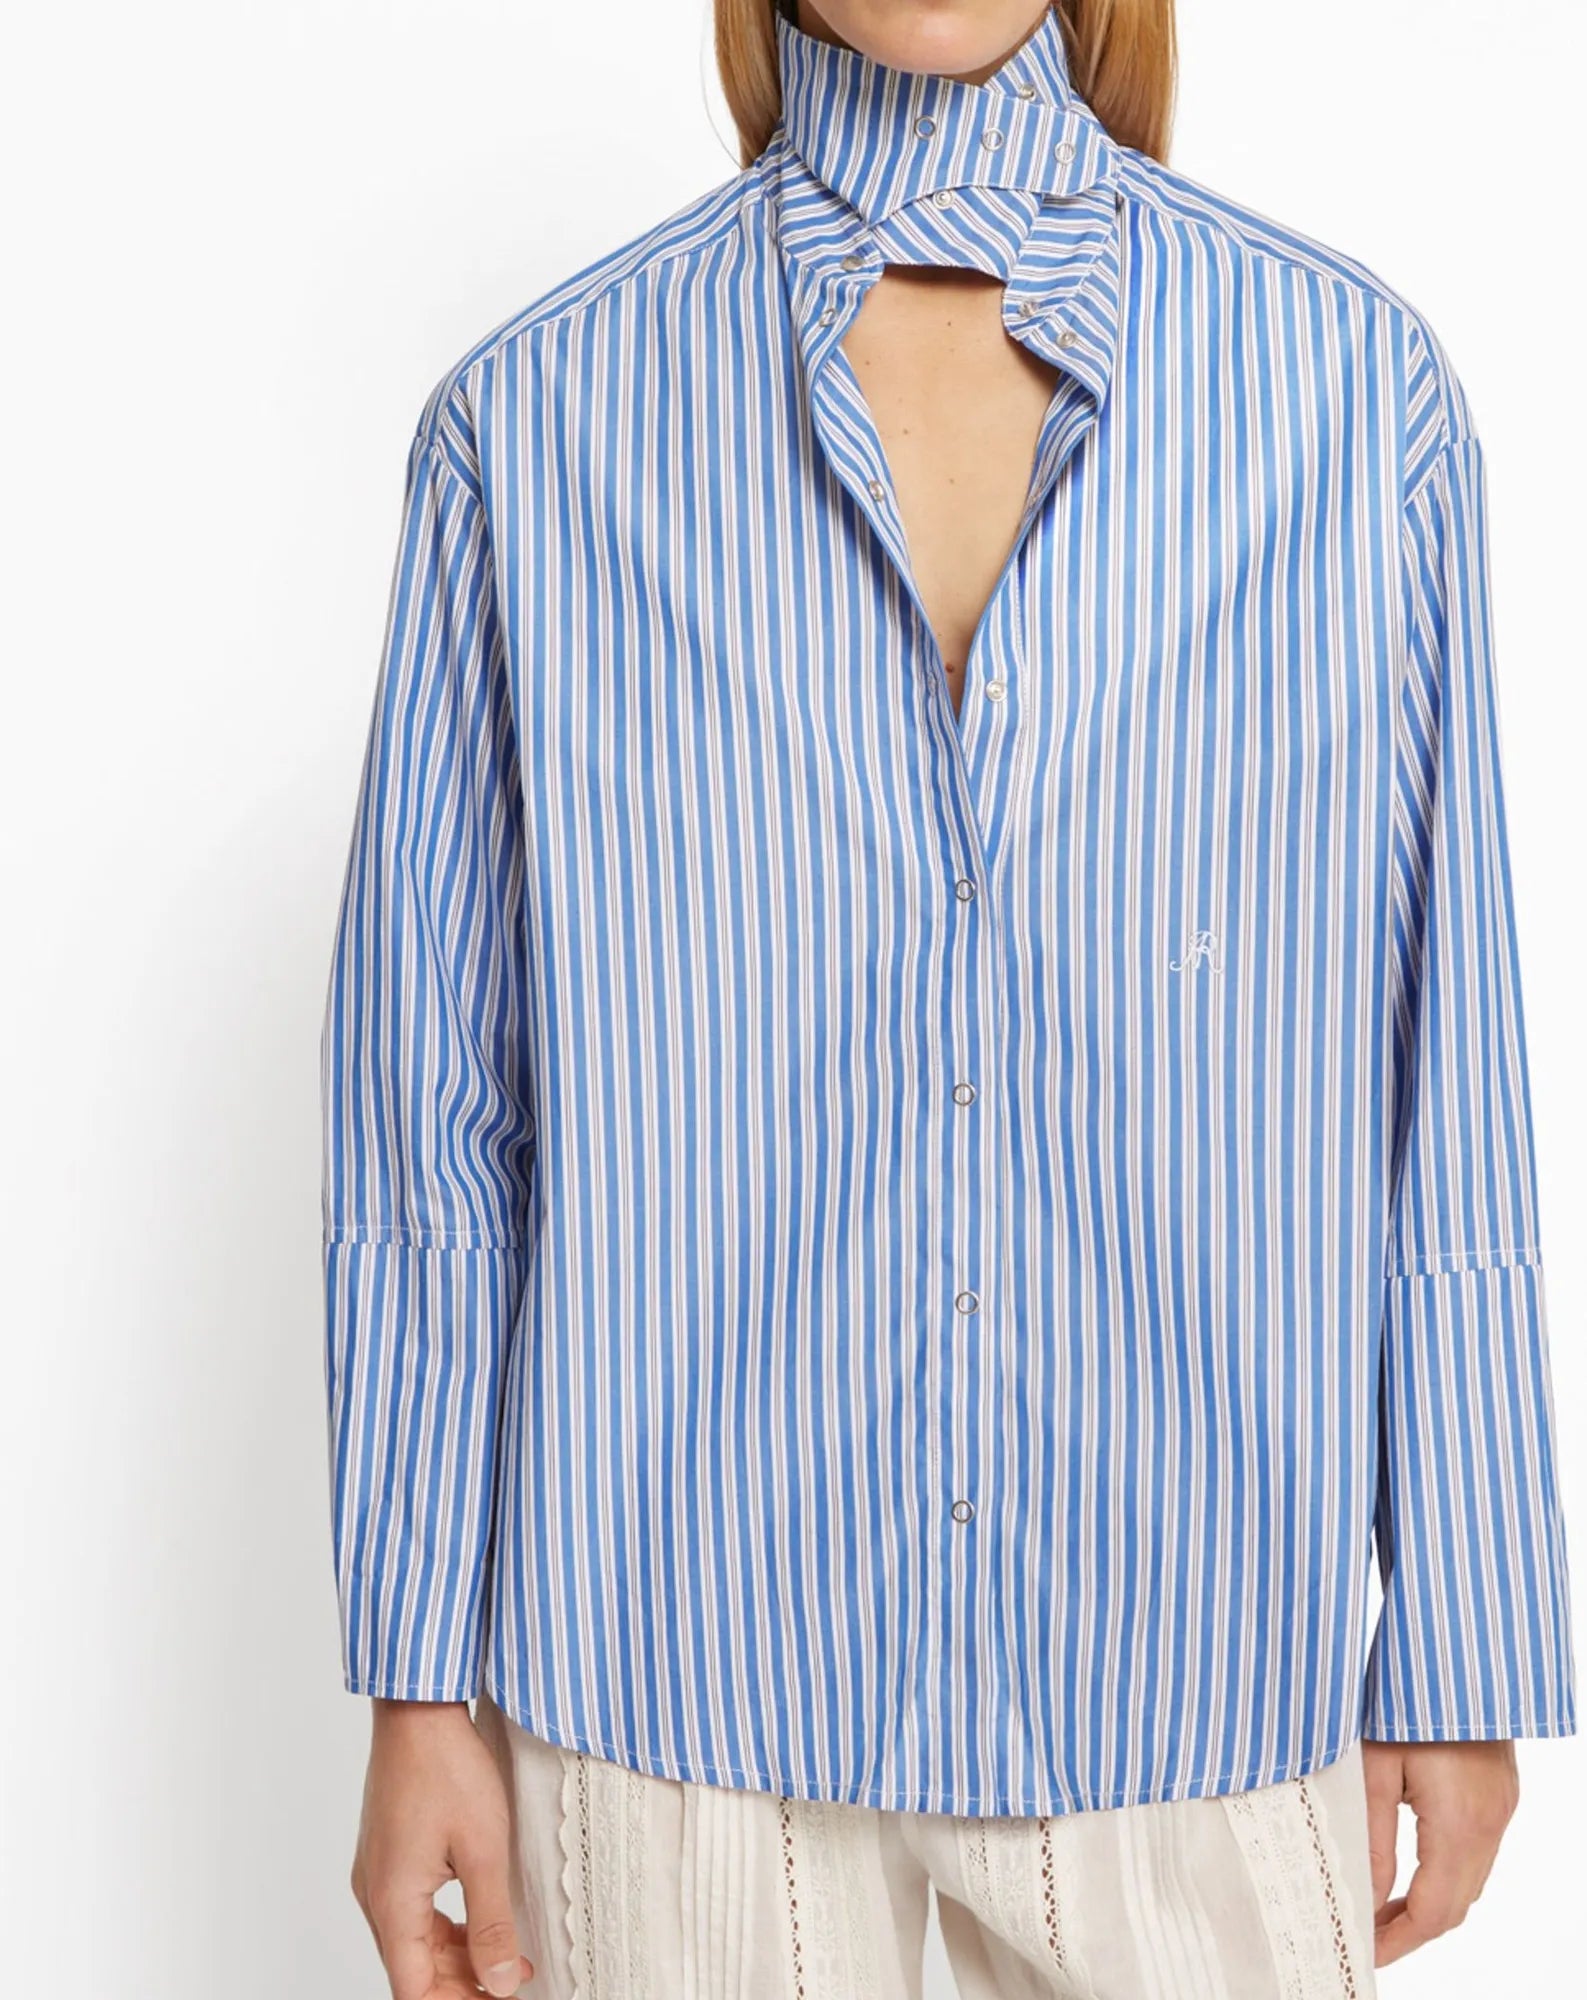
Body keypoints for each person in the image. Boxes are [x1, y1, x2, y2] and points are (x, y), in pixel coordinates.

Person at [318, 3, 1578, 1994]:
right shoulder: (538, 423)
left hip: (1195, 1669)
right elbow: (431, 1119)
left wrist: (1465, 1630)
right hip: (669, 1687)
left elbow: (1443, 1073)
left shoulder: (1351, 398)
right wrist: (413, 1675)